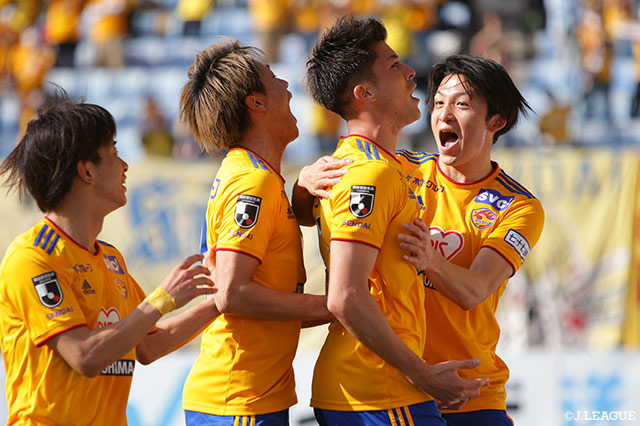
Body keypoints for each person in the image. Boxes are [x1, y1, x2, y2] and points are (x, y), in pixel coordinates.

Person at [297, 16, 487, 426]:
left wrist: (300, 186)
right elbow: (344, 296)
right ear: (364, 93)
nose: (410, 72)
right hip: (379, 390)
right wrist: (422, 374)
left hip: (375, 387)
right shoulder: (370, 173)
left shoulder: (371, 165)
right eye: (394, 64)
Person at [0, 95, 219, 426]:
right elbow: (84, 355)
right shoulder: (32, 258)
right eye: (114, 153)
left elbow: (149, 344)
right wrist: (161, 299)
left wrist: (220, 302)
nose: (125, 165)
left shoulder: (110, 258)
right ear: (87, 171)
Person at [178, 39, 337, 426]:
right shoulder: (253, 181)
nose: (287, 85)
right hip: (238, 401)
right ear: (257, 103)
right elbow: (232, 292)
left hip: (248, 397)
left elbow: (263, 301)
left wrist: (300, 193)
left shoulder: (255, 176)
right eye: (275, 78)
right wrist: (336, 305)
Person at [396, 54, 545, 425]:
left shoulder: (519, 206)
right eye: (438, 103)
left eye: (461, 104)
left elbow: (474, 290)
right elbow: (310, 206)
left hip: (471, 393)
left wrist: (429, 259)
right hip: (397, 387)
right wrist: (307, 180)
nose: (444, 114)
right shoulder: (398, 170)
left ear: (496, 121)